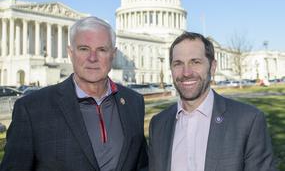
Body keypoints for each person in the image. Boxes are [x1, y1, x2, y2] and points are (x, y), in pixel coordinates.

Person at [0, 16, 148, 171]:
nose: (92, 58)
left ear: (113, 54)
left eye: (102, 50)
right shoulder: (32, 109)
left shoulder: (134, 101)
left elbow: (142, 163)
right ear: (70, 53)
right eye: (84, 49)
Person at [148, 32, 276, 171]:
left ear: (213, 67)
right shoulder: (158, 124)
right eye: (178, 64)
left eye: (195, 62)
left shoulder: (247, 121)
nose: (186, 72)